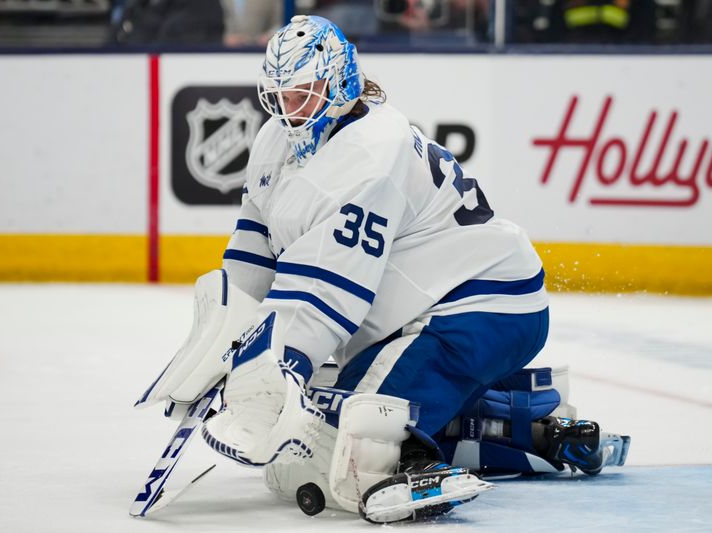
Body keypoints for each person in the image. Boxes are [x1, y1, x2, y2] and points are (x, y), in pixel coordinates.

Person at [135, 15, 629, 523]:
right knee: (308, 437)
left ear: (341, 81)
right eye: (282, 96)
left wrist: (271, 374)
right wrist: (224, 348)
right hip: (424, 312)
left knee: (342, 438)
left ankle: (414, 463)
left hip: (482, 306)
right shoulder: (275, 141)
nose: (292, 109)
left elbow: (327, 297)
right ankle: (529, 424)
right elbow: (253, 254)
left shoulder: (371, 149)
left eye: (305, 93)